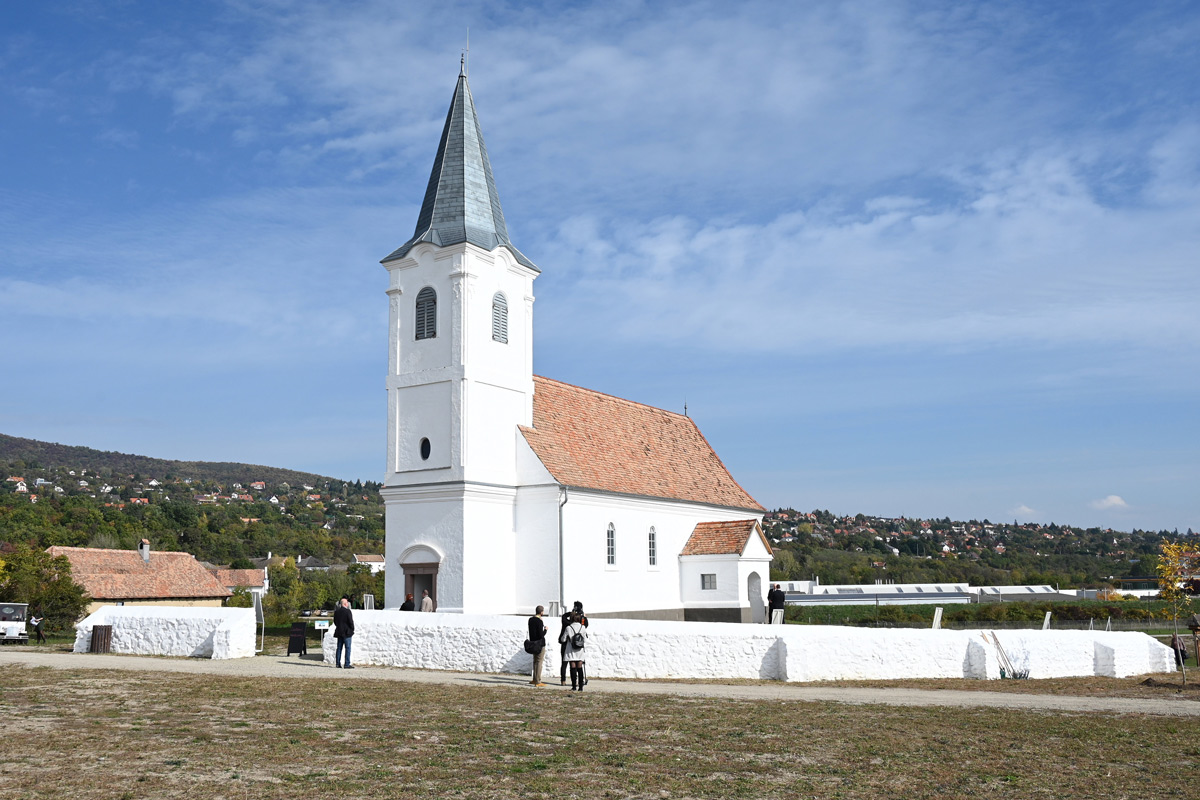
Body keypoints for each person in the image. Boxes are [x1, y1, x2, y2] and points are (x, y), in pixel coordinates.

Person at [558, 600, 589, 685]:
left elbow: (564, 616)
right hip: (578, 646)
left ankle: (563, 680)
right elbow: (586, 624)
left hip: (567, 644)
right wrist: (583, 616)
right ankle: (579, 682)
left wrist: (571, 613)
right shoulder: (581, 625)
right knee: (578, 665)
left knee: (565, 663)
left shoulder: (567, 624)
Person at [527, 605, 548, 687]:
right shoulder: (539, 621)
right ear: (541, 612)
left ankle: (534, 679)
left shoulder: (530, 620)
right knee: (539, 662)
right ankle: (538, 681)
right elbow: (541, 634)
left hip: (533, 643)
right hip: (539, 644)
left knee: (535, 661)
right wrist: (545, 629)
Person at [333, 596, 354, 669]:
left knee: (339, 648)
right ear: (345, 604)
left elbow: (335, 622)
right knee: (348, 648)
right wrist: (352, 629)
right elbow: (350, 622)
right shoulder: (348, 611)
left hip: (339, 631)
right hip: (347, 632)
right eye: (347, 603)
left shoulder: (337, 612)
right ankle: (347, 664)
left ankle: (338, 663)